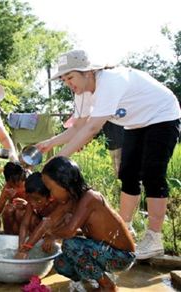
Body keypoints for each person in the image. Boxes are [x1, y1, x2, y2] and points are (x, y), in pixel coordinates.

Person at [36, 49, 181, 259]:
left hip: (162, 115)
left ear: (88, 72)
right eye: (64, 79)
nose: (68, 83)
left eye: (71, 77)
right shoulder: (81, 94)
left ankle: (154, 237)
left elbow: (93, 128)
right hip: (135, 124)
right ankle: (124, 227)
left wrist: (57, 161)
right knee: (128, 174)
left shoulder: (110, 81)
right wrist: (50, 144)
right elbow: (78, 128)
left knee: (152, 174)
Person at [42, 157, 135, 291]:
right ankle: (92, 279)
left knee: (70, 244)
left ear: (64, 184)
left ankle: (107, 285)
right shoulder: (73, 200)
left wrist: (52, 235)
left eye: (50, 189)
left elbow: (69, 232)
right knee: (60, 263)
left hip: (121, 256)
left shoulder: (90, 198)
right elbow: (50, 221)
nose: (50, 195)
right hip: (103, 252)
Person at [15, 171, 72, 257]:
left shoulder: (58, 202)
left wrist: (52, 236)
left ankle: (58, 245)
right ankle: (36, 240)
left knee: (68, 218)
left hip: (58, 230)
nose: (33, 203)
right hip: (43, 228)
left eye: (38, 200)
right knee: (30, 218)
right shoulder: (31, 202)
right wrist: (21, 245)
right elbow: (25, 224)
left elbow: (70, 226)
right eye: (30, 198)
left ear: (50, 197)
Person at [0, 161, 28, 234]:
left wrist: (26, 205)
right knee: (8, 209)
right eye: (12, 185)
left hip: (29, 223)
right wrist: (5, 198)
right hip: (13, 226)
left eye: (18, 185)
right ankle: (9, 237)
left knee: (20, 213)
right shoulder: (7, 187)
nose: (15, 187)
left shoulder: (30, 185)